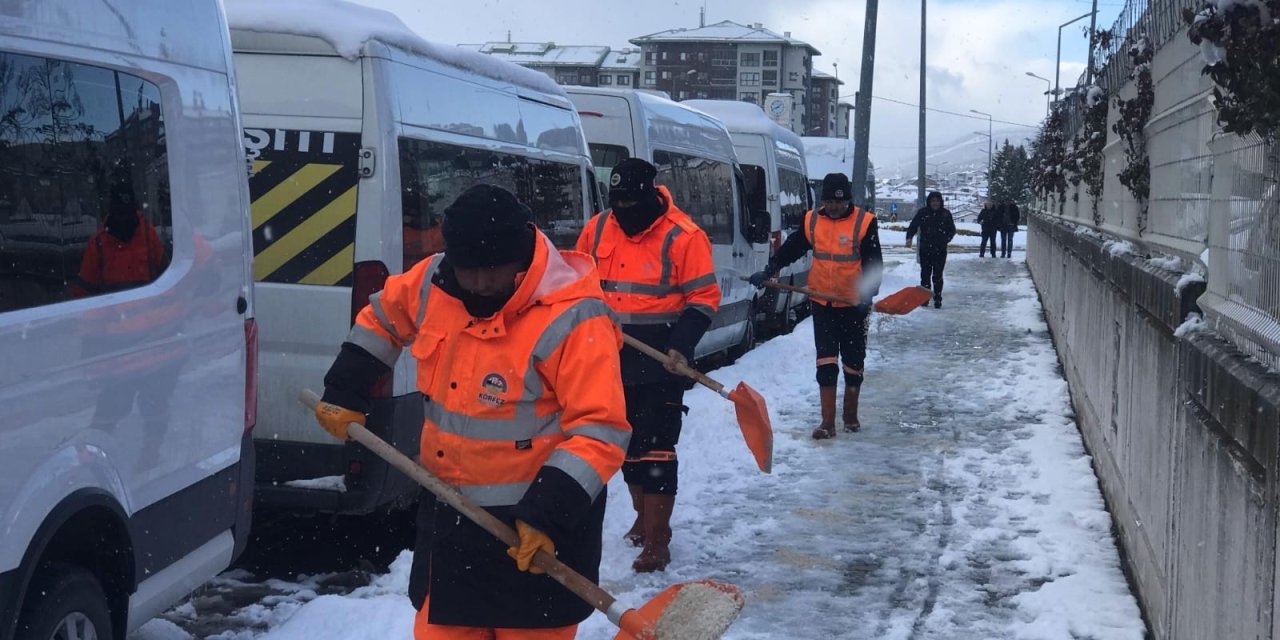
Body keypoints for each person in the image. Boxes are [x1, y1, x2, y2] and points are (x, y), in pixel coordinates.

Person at [314, 185, 630, 639]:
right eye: (468, 271)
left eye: (492, 272)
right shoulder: (434, 282)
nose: (479, 284)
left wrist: (546, 516)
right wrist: (346, 390)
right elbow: (382, 319)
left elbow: (601, 430)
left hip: (537, 530)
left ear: (520, 260)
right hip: (451, 518)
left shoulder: (574, 317)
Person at [576, 158, 720, 573]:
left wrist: (681, 346)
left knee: (657, 446)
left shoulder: (684, 236)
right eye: (616, 202)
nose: (623, 212)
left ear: (652, 196)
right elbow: (577, 280)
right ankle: (643, 515)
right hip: (607, 350)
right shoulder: (599, 227)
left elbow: (703, 299)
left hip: (662, 355)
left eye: (631, 203)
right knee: (625, 447)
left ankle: (658, 537)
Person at [748, 173, 882, 440]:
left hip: (854, 304)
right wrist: (771, 268)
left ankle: (850, 415)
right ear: (823, 201)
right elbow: (792, 248)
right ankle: (827, 422)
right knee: (826, 360)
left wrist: (868, 293)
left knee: (853, 362)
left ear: (848, 201)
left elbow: (873, 264)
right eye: (830, 201)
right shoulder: (812, 221)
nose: (834, 207)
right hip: (822, 302)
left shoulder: (864, 223)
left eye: (839, 202)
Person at [906, 191, 956, 309]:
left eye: (937, 201)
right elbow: (913, 226)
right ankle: (925, 298)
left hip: (940, 250)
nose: (935, 203)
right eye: (933, 201)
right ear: (929, 202)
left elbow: (952, 230)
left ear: (941, 202)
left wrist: (945, 239)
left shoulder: (945, 214)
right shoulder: (923, 213)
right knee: (925, 275)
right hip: (925, 249)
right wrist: (909, 238)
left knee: (938, 275)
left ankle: (937, 298)